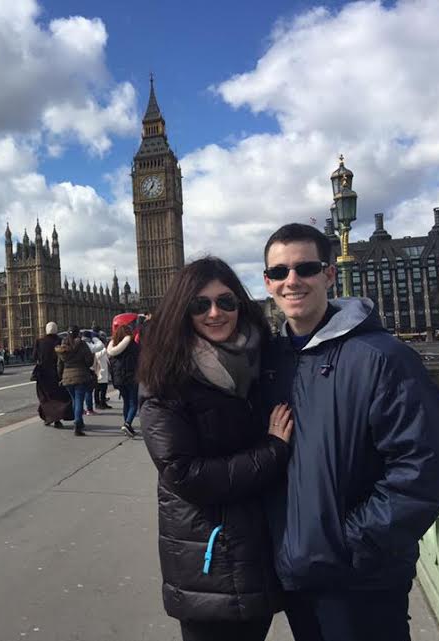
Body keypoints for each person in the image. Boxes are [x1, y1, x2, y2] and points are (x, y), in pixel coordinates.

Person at [261, 223, 439, 641]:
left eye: (305, 268)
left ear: (329, 274)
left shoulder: (383, 357)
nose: (291, 280)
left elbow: (430, 464)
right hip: (297, 576)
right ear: (267, 283)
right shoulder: (272, 362)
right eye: (279, 272)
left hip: (361, 580)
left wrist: (353, 542)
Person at [138, 256, 293, 641]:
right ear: (181, 310)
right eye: (200, 304)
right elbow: (185, 475)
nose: (214, 312)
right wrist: (273, 450)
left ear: (241, 305)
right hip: (208, 565)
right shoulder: (166, 380)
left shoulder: (262, 363)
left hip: (261, 554)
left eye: (226, 301)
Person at [32, 322, 73, 429]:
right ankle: (56, 420)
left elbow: (34, 357)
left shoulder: (39, 341)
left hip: (43, 374)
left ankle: (48, 417)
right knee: (58, 397)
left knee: (45, 397)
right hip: (57, 374)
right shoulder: (60, 341)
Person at [55, 324, 94, 436]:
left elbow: (59, 364)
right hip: (81, 376)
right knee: (79, 401)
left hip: (67, 377)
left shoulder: (63, 347)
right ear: (78, 334)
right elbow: (89, 361)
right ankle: (78, 423)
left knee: (74, 400)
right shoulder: (82, 345)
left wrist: (60, 376)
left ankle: (79, 421)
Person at [107, 324, 140, 437]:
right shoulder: (133, 346)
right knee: (133, 403)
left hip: (118, 380)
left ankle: (127, 426)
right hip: (131, 377)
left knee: (126, 402)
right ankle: (127, 424)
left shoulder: (113, 347)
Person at [93, 339, 112, 410]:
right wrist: (105, 349)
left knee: (104, 389)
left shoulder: (104, 352)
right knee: (97, 389)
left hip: (105, 374)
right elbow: (98, 355)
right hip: (99, 373)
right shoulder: (97, 351)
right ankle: (97, 403)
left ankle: (103, 402)